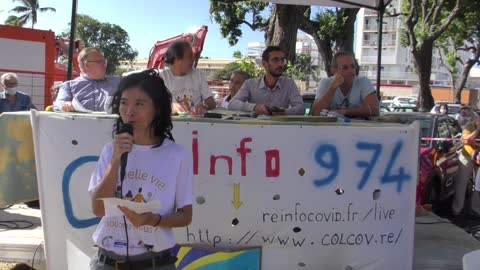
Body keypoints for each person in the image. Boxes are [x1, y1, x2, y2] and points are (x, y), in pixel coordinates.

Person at [88, 69, 193, 270]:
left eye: (139, 104)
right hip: (107, 261)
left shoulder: (177, 155)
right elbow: (98, 209)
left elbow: (186, 216)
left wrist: (154, 220)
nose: (129, 111)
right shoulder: (110, 150)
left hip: (155, 262)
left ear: (158, 109)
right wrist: (116, 158)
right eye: (124, 102)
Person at [228, 46, 304, 115]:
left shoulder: (289, 84)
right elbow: (232, 104)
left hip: (280, 128)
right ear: (264, 64)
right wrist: (255, 107)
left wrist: (284, 112)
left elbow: (301, 108)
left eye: (282, 60)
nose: (281, 64)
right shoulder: (250, 84)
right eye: (275, 60)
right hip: (256, 128)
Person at [312, 51, 379, 118]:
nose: (351, 71)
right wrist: (333, 87)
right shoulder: (325, 83)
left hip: (358, 127)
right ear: (334, 70)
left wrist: (344, 112)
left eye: (353, 66)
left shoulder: (363, 81)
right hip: (332, 128)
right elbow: (316, 112)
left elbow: (374, 110)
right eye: (345, 67)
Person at [54, 47, 121, 112]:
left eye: (105, 61)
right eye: (100, 61)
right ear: (87, 65)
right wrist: (65, 105)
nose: (105, 65)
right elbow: (59, 104)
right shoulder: (69, 86)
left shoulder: (119, 83)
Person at [160, 40, 215, 115]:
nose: (193, 60)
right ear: (177, 59)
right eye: (189, 56)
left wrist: (203, 106)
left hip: (195, 124)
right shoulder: (162, 78)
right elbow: (153, 105)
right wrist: (171, 106)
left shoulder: (198, 75)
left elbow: (211, 102)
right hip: (171, 124)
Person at [452, 118, 480, 216]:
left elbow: (472, 141)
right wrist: (478, 129)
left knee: (478, 185)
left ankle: (475, 209)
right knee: (461, 183)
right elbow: (467, 140)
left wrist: (475, 143)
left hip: (479, 158)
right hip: (467, 157)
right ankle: (457, 208)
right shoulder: (469, 126)